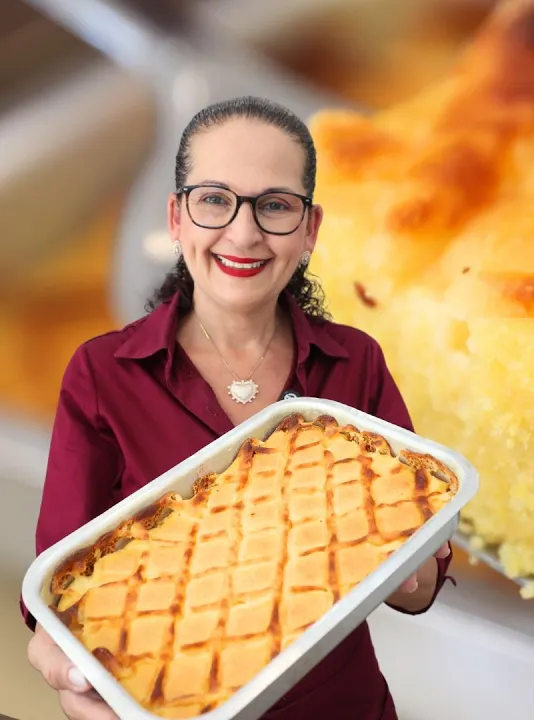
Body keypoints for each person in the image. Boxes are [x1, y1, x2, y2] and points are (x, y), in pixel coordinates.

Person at [23, 96, 453, 720]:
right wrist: (64, 668)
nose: (244, 232)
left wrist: (416, 574)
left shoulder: (354, 361)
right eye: (214, 199)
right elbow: (58, 586)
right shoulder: (100, 374)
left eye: (275, 205)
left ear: (310, 229)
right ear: (176, 218)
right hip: (165, 694)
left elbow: (418, 564)